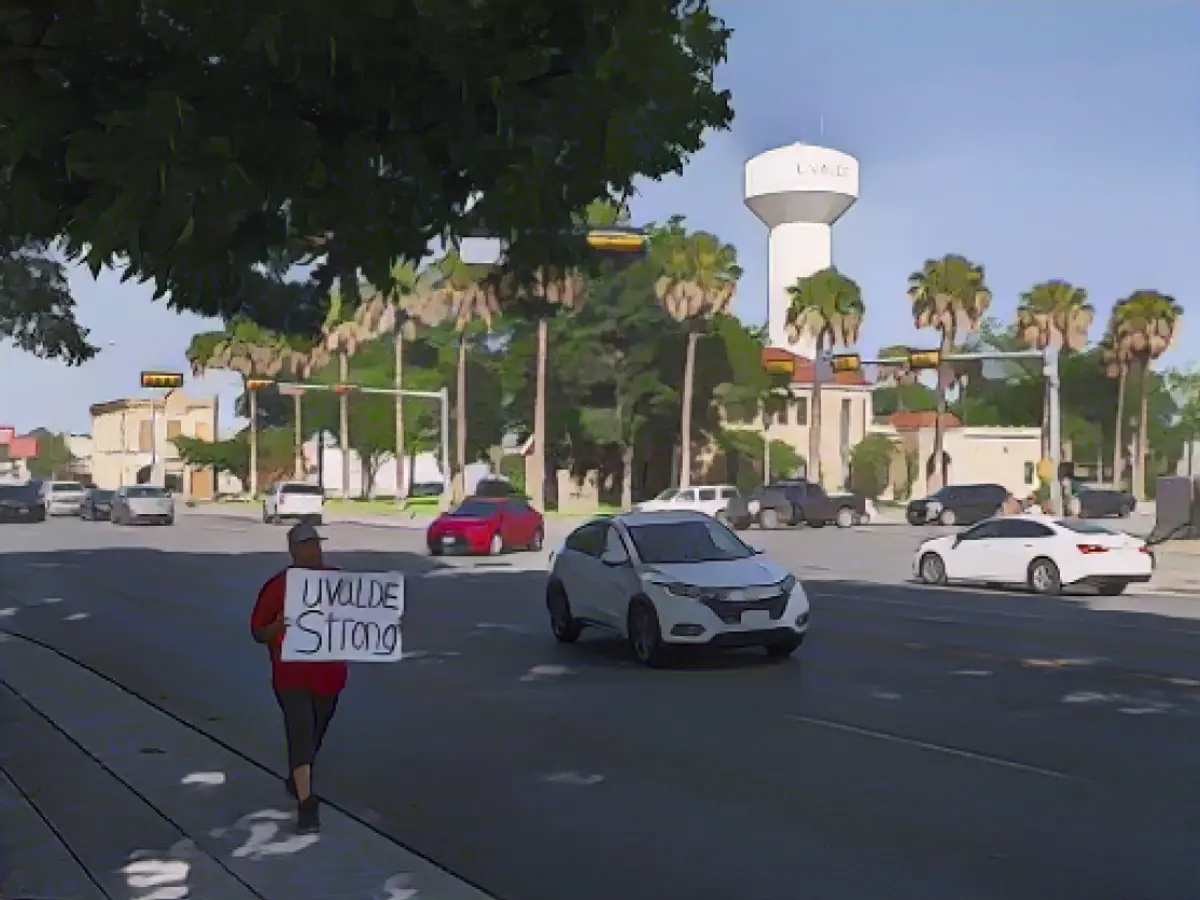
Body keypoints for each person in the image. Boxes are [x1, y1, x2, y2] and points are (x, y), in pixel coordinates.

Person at [250, 522, 347, 833]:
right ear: (293, 551)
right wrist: (278, 625)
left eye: (316, 543)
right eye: (306, 545)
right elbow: (258, 632)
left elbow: (363, 617)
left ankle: (297, 777)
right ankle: (307, 805)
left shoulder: (338, 580)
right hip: (291, 675)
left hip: (330, 674)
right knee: (301, 731)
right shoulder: (278, 586)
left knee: (315, 732)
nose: (313, 549)